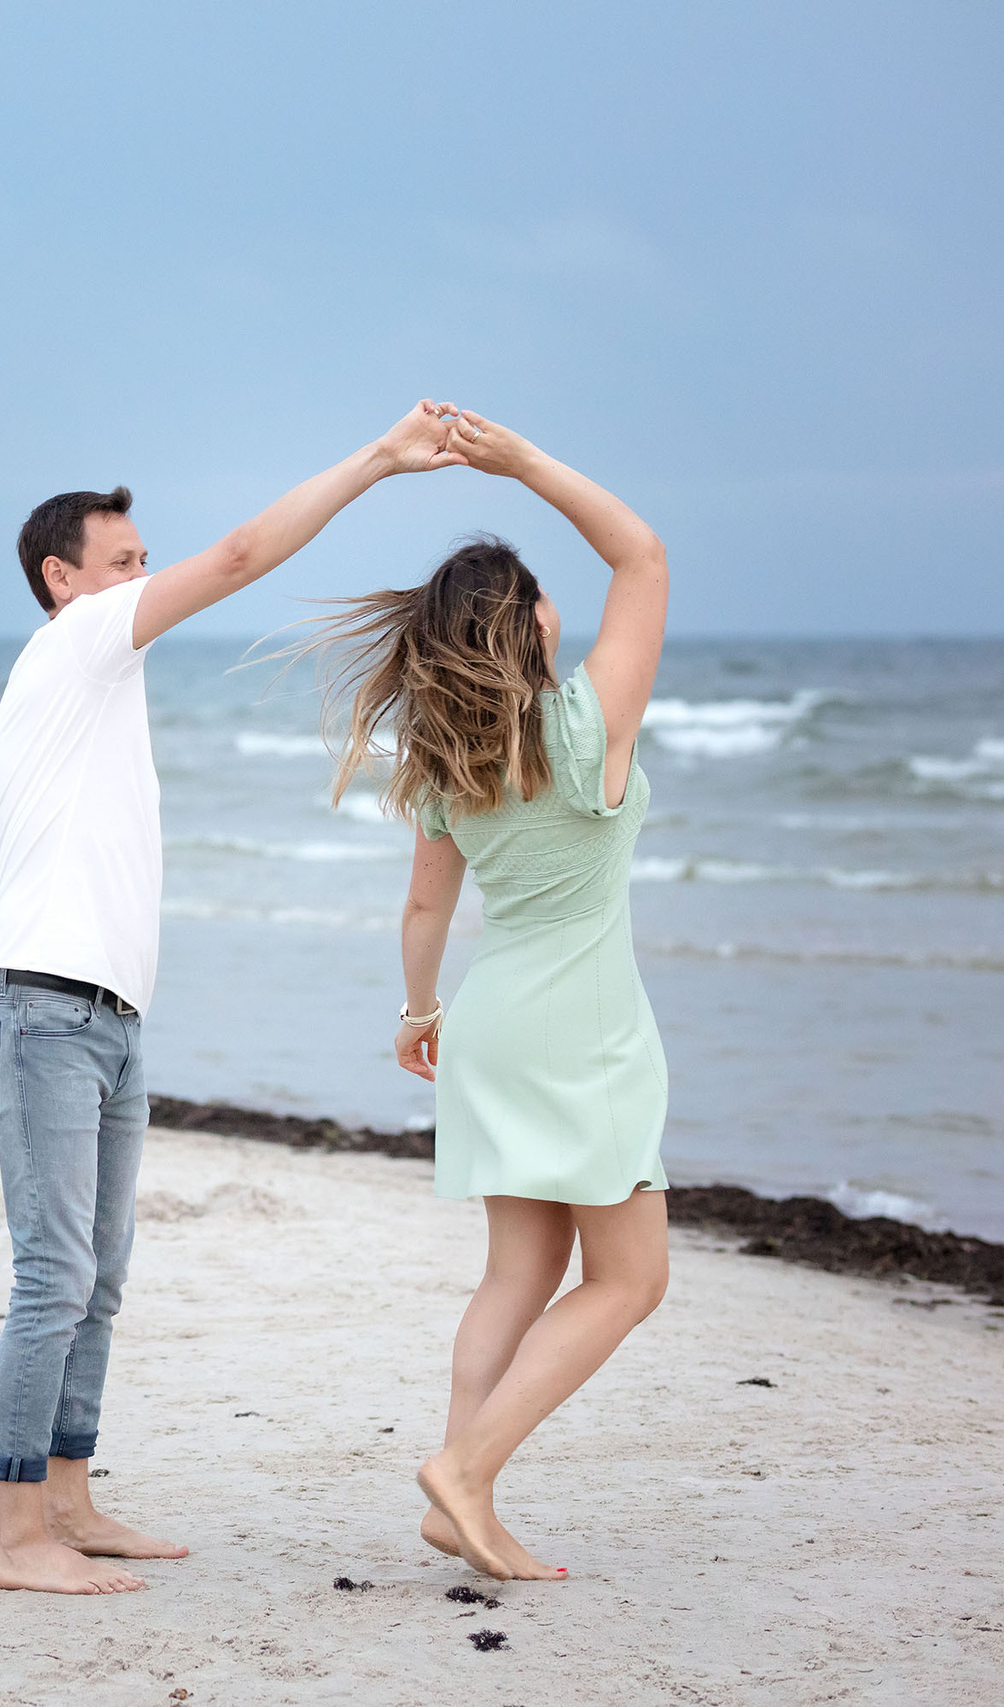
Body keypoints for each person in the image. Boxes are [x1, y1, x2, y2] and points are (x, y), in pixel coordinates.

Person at [0, 401, 466, 1595]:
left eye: (148, 561)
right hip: (42, 1006)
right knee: (54, 1275)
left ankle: (71, 1502)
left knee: (100, 1271)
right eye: (126, 562)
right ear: (62, 578)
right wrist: (377, 461)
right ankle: (12, 1539)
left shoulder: (101, 673)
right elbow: (243, 554)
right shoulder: (75, 641)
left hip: (105, 1015)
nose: (150, 579)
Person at [310, 407, 671, 1582]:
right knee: (629, 1280)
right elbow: (642, 555)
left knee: (516, 1274)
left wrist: (418, 1017)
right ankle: (464, 1470)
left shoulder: (448, 766)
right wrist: (520, 463)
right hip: (584, 1034)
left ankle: (455, 1491)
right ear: (527, 625)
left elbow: (424, 914)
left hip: (490, 1026)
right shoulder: (585, 727)